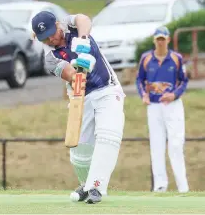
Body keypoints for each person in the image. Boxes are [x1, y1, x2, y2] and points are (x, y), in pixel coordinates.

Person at [31, 11, 126, 203]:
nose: (51, 39)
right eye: (45, 38)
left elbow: (84, 19)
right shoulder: (50, 58)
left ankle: (97, 187)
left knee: (108, 135)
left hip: (107, 89)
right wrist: (81, 67)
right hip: (81, 97)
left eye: (52, 33)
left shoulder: (70, 25)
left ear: (57, 24)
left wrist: (83, 40)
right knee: (80, 153)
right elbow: (72, 75)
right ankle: (87, 184)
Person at [136, 26, 189, 193]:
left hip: (172, 106)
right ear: (154, 40)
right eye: (158, 39)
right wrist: (143, 95)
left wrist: (174, 95)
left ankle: (183, 187)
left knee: (175, 144)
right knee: (156, 145)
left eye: (163, 39)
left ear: (168, 40)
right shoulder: (146, 59)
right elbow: (139, 80)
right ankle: (160, 185)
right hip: (154, 107)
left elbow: (184, 81)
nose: (160, 42)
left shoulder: (176, 58)